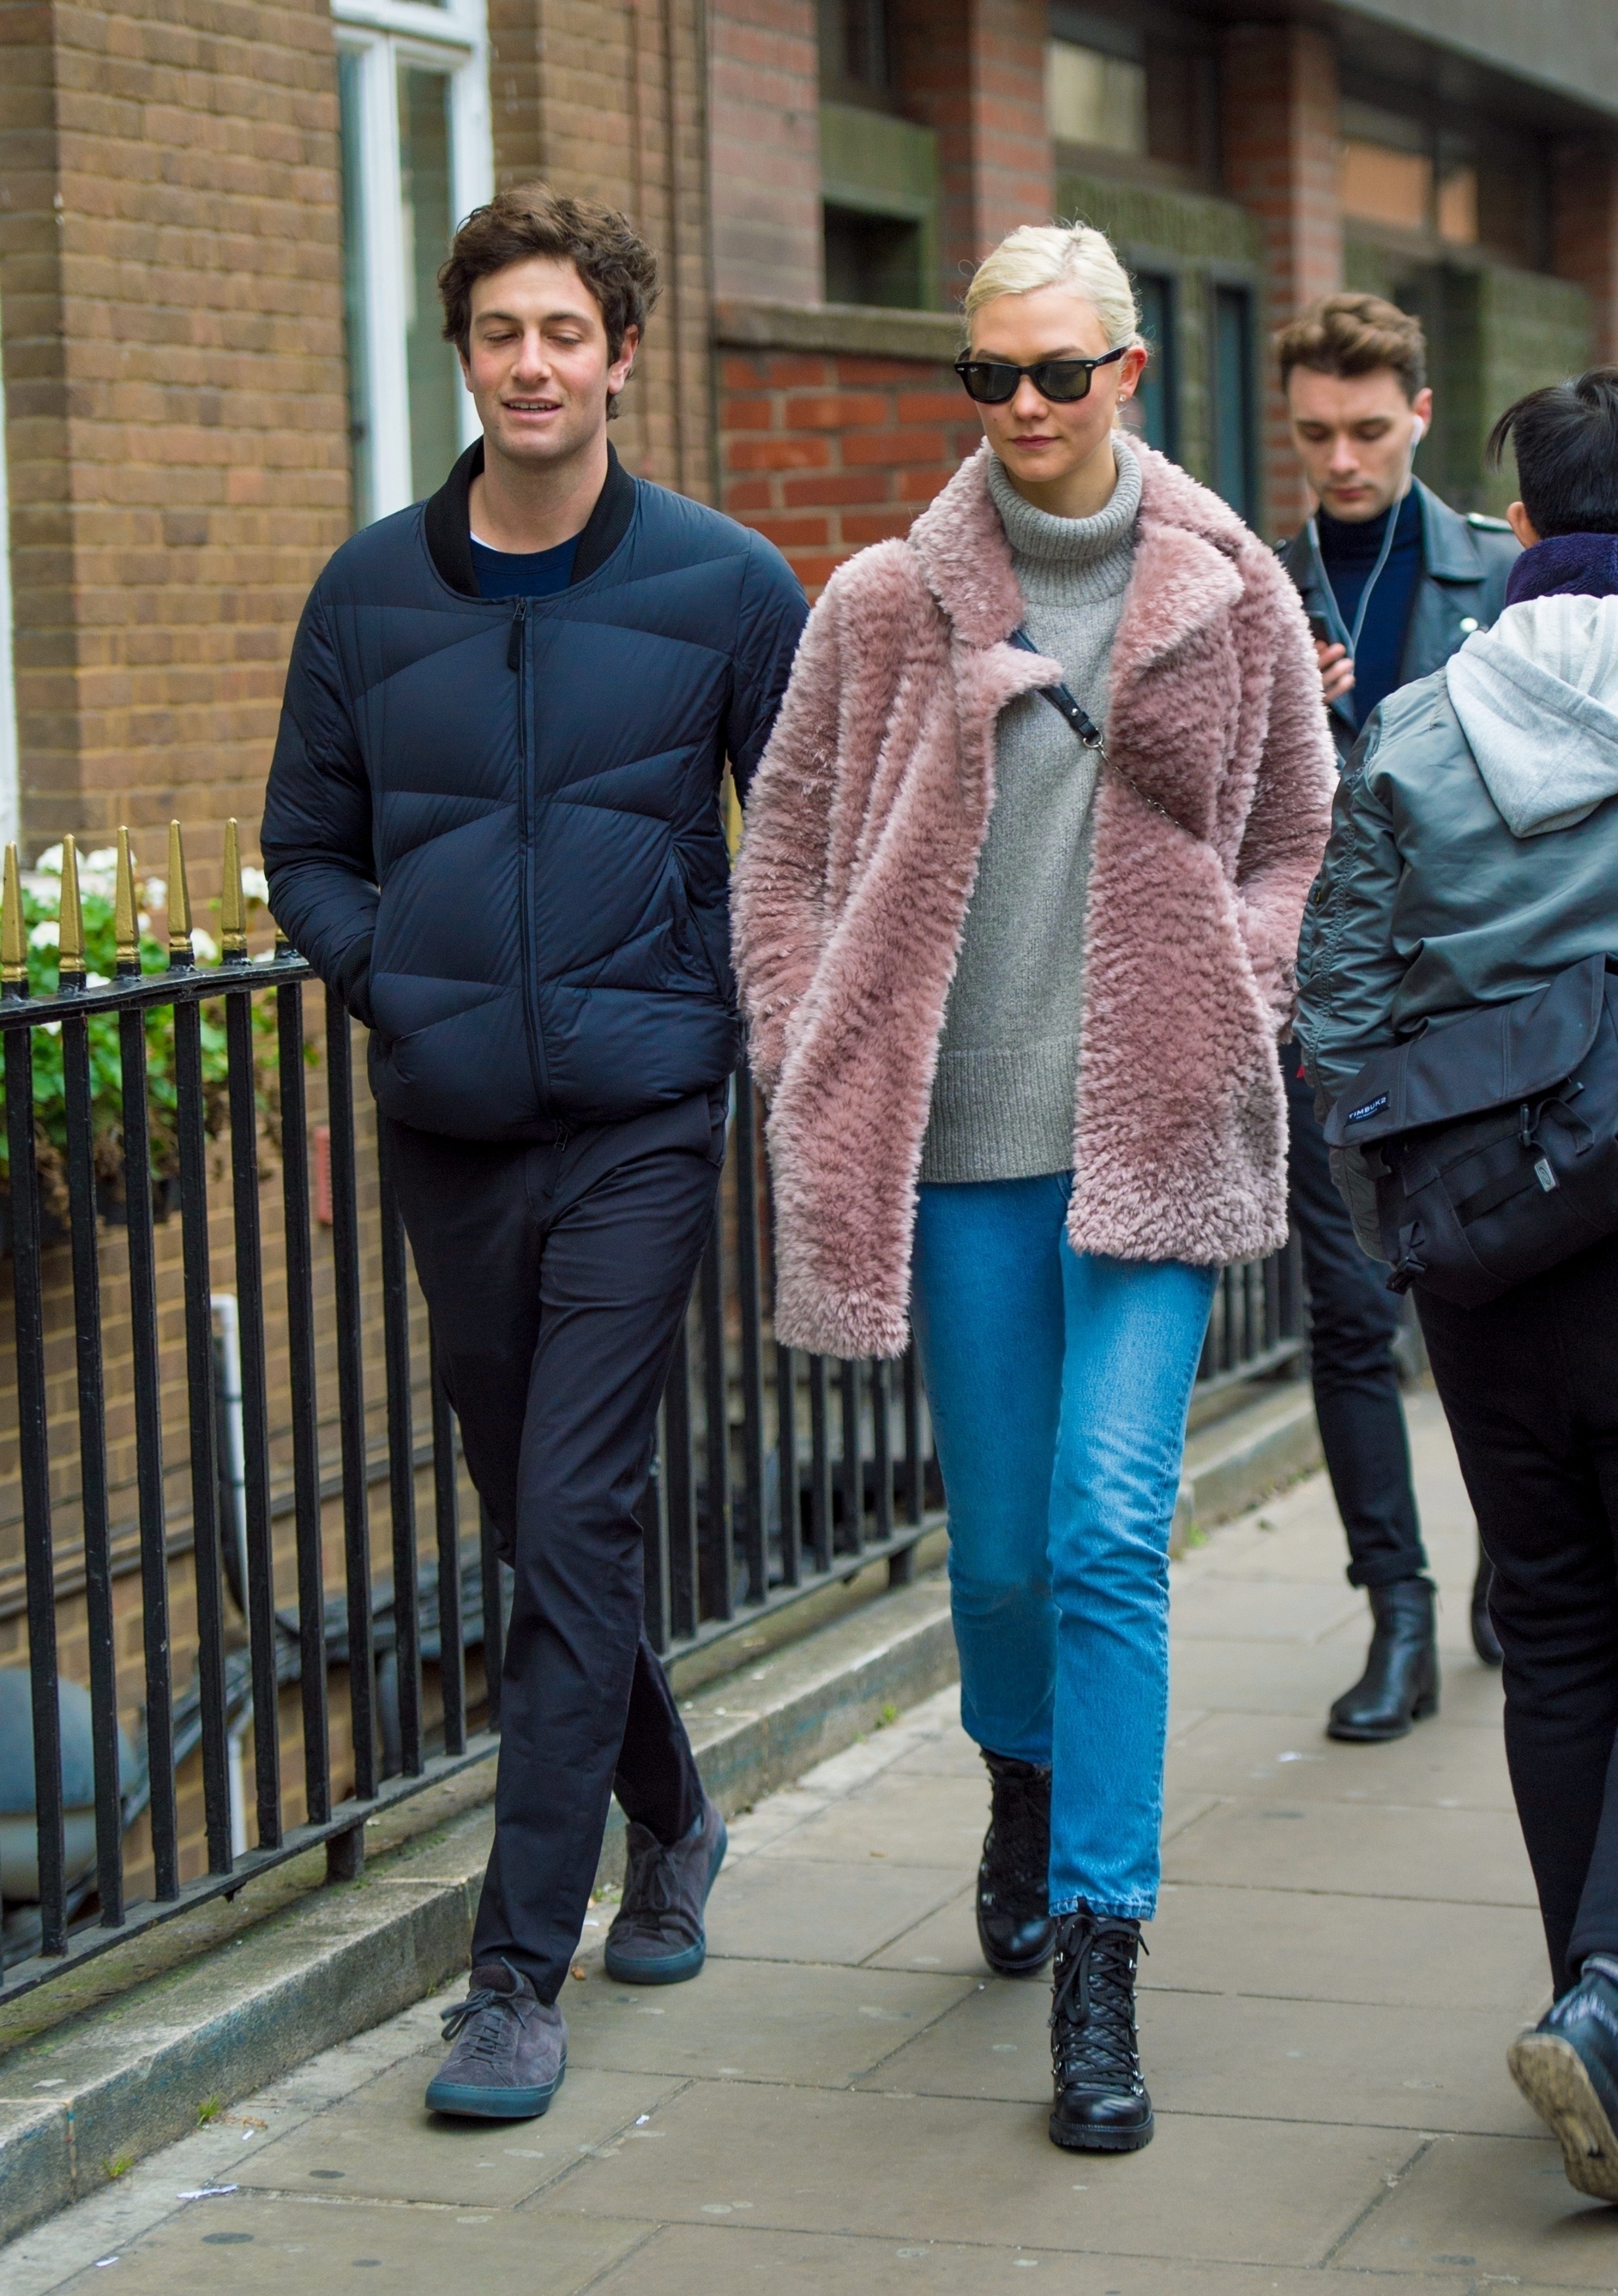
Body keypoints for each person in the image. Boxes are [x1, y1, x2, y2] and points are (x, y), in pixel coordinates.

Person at [731, 222, 1333, 2155]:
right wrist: (803, 1033)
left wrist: (1236, 989)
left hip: (1152, 1132)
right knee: (996, 1554)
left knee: (1104, 1530)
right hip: (960, 1152)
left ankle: (1102, 1946)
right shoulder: (880, 604)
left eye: (1058, 372)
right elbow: (785, 854)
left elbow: (1299, 837)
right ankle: (1020, 1772)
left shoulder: (1227, 586)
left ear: (1127, 373)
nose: (1023, 406)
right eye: (988, 374)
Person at [262, 185, 806, 2121]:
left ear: (621, 353)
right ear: (464, 352)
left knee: (576, 1513)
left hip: (645, 1115)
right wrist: (396, 984)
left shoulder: (729, 584)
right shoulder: (367, 593)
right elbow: (304, 842)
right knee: (531, 1513)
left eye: (566, 329)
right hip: (453, 1125)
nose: (533, 362)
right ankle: (675, 1814)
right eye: (501, 330)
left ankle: (513, 1977)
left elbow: (799, 842)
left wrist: (705, 1000)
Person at [1294, 367, 1618, 2202]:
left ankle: (1588, 2000)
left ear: (1526, 527)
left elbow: (1336, 1005)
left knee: (1557, 1630)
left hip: (1486, 1255)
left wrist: (1404, 1216)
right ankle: (1607, 2018)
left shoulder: (1420, 721)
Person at [1276, 293, 1519, 1741]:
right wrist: (1283, 710)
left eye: (1368, 430)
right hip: (1336, 1019)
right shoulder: (1258, 586)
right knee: (1349, 1318)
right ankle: (1398, 1613)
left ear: (1420, 414)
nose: (1342, 460)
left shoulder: (1503, 572)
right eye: (1315, 433)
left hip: (1487, 1006)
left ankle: (1513, 1560)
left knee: (1493, 1298)